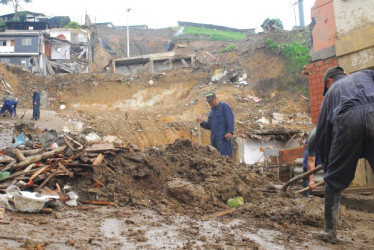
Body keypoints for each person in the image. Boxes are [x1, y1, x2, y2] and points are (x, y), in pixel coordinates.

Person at [316, 66, 374, 238]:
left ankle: (330, 231)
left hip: (347, 122)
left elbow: (323, 133)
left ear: (329, 82)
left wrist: (328, 166)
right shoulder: (366, 74)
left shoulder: (331, 93)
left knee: (333, 181)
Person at [196, 92, 234, 158]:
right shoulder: (211, 112)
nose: (210, 103)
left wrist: (230, 132)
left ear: (216, 98)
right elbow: (210, 126)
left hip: (223, 139)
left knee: (225, 158)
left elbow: (230, 119)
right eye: (209, 102)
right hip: (214, 140)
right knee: (215, 159)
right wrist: (202, 123)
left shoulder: (224, 106)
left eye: (212, 101)